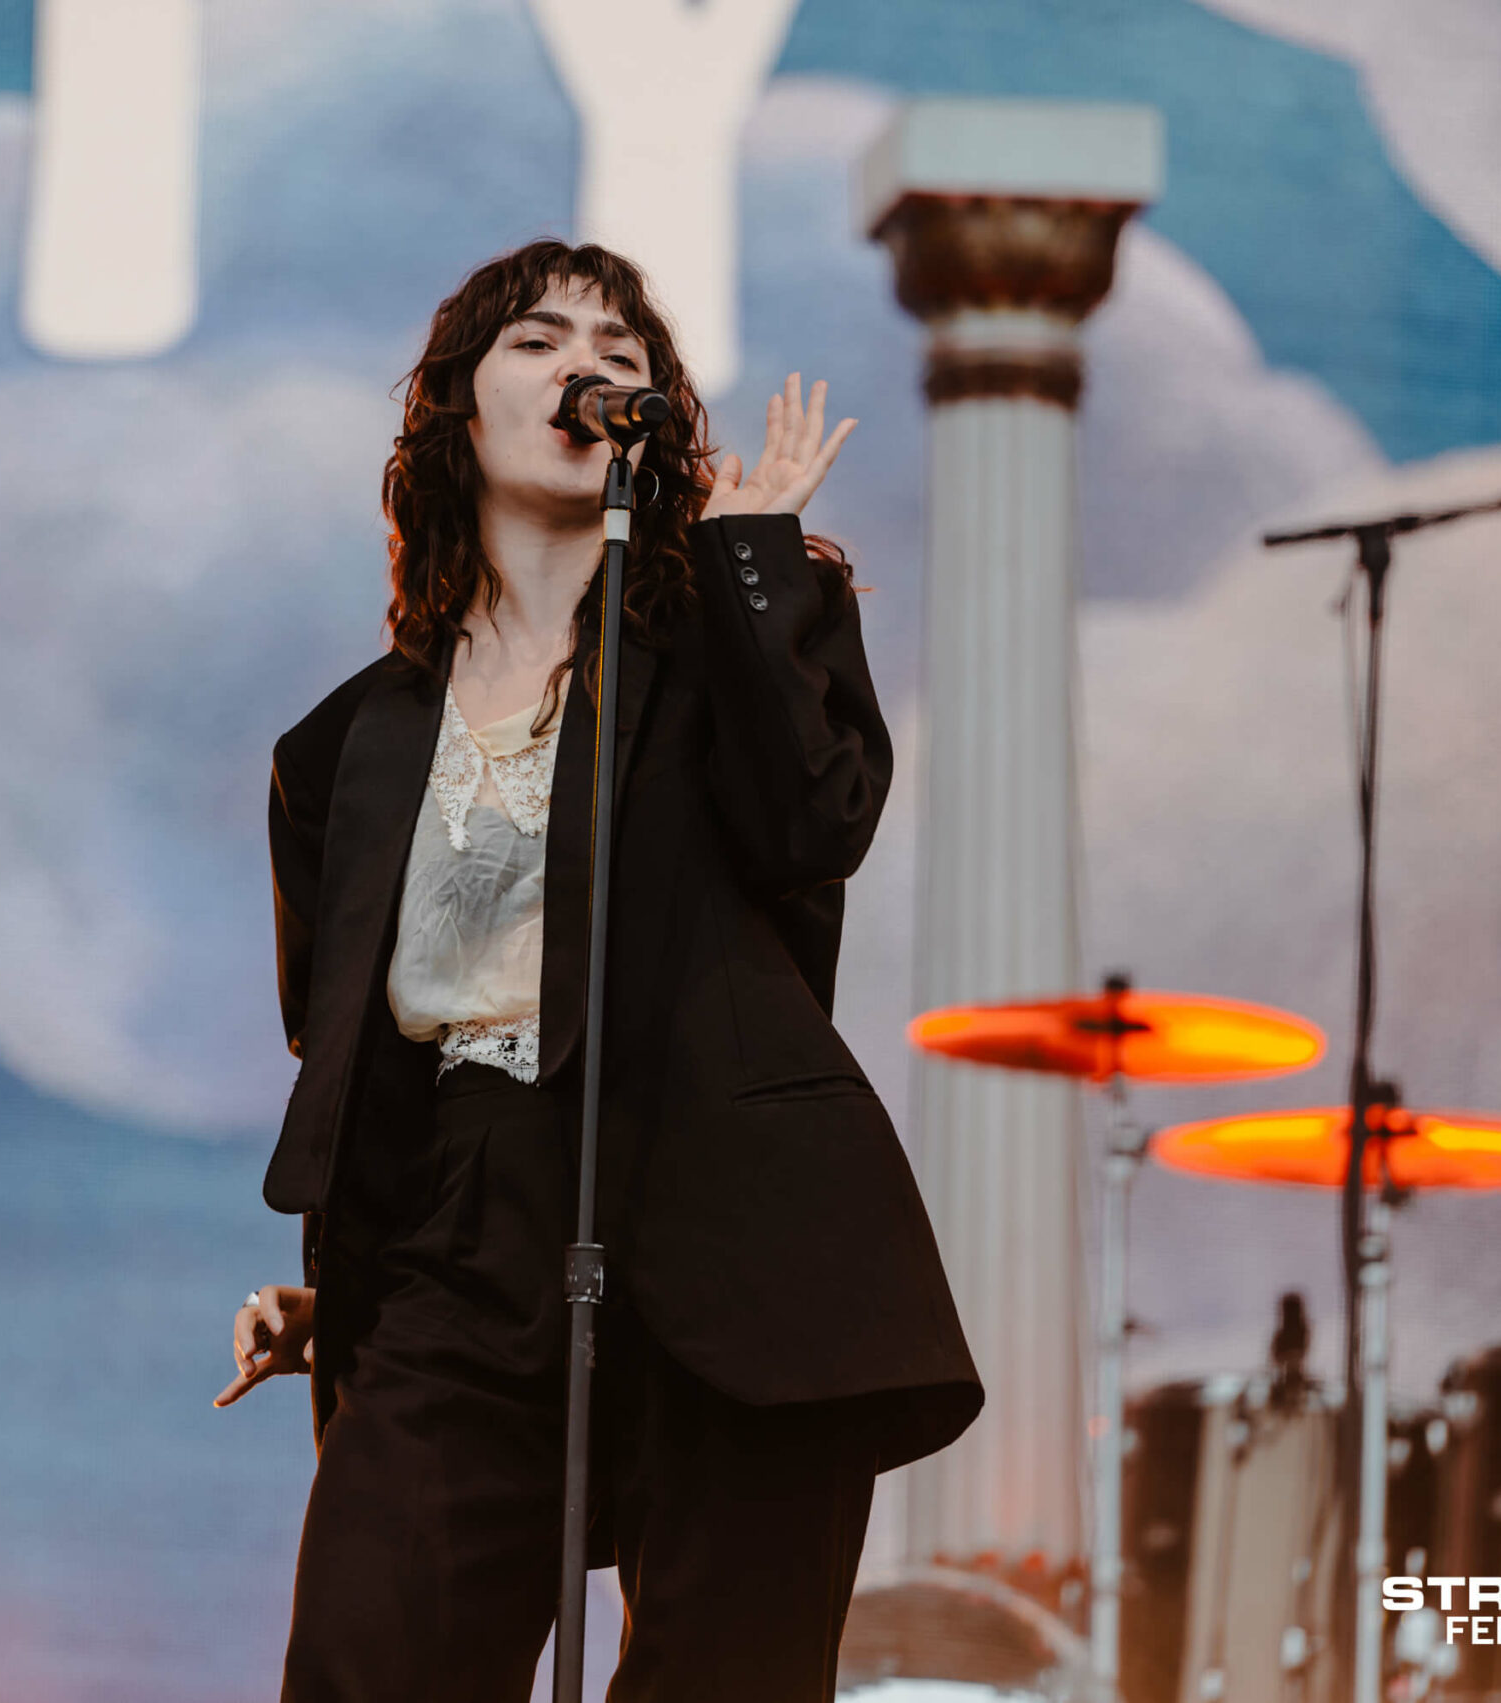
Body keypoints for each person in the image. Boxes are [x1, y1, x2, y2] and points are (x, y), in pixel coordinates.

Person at [215, 239, 980, 1702]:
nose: (588, 368)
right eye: (540, 341)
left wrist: (754, 565)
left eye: (621, 355)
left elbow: (812, 827)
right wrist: (353, 1288)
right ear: (458, 409)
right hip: (458, 1247)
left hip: (731, 1221)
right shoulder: (340, 751)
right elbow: (355, 1057)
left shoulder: (734, 634)